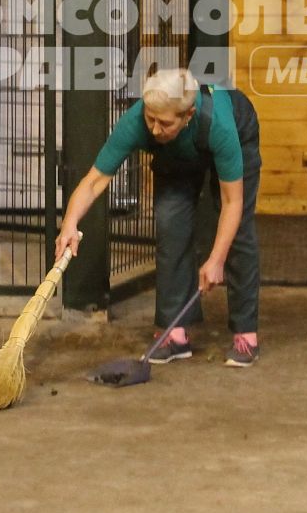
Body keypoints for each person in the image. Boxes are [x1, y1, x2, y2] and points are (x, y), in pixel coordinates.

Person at [56, 68, 263, 366]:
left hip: (236, 136)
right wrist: (69, 225)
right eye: (150, 118)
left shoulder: (219, 125)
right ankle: (174, 333)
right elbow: (95, 180)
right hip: (177, 154)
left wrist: (216, 260)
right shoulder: (139, 122)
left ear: (188, 114)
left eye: (163, 122)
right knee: (170, 224)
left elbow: (233, 202)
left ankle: (246, 334)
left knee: (239, 231)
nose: (153, 129)